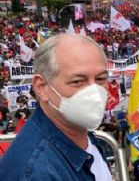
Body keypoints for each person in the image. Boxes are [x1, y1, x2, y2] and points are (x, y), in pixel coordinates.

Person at [0, 34, 112, 180]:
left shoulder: (81, 132)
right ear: (42, 87)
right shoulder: (36, 172)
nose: (95, 91)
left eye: (101, 79)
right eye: (77, 81)